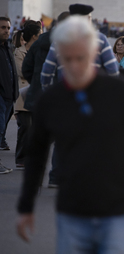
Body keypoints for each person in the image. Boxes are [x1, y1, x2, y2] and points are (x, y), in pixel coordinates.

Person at [16, 16, 124, 253]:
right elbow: (36, 155)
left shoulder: (119, 91)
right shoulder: (51, 100)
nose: (73, 66)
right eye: (67, 59)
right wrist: (25, 207)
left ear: (94, 53)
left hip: (116, 209)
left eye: (80, 58)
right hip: (72, 211)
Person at [22, 12, 70, 188]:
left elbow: (27, 67)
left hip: (39, 96)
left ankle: (32, 177)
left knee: (40, 139)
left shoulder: (40, 41)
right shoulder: (68, 42)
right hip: (61, 96)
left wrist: (35, 83)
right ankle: (55, 177)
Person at [40, 4, 120, 90]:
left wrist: (49, 92)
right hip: (95, 93)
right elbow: (113, 70)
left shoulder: (59, 39)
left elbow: (47, 70)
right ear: (88, 19)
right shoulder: (100, 39)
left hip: (65, 92)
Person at [13, 21, 42, 168]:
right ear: (34, 36)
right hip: (24, 93)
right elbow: (22, 72)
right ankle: (21, 158)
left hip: (38, 93)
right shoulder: (20, 52)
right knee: (25, 127)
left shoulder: (41, 52)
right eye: (40, 34)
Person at [0, 17, 19, 174]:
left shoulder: (7, 47)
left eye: (7, 27)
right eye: (2, 27)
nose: (6, 30)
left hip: (8, 96)